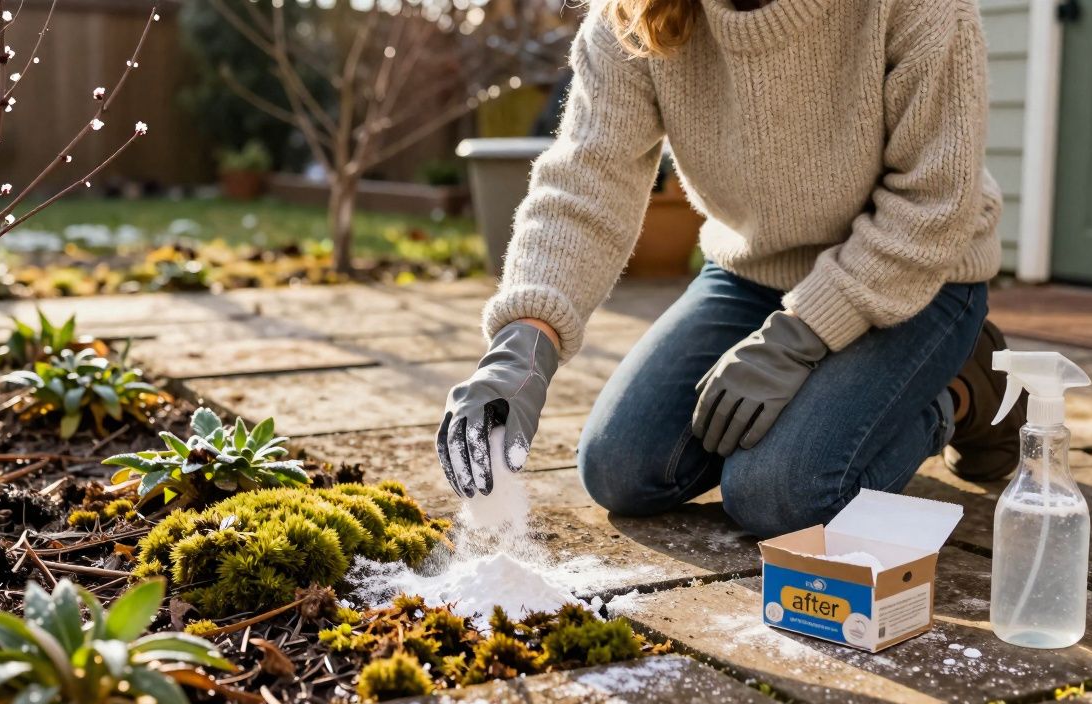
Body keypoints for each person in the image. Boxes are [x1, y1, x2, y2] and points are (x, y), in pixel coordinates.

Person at [438, 0, 1024, 539]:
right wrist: (523, 347)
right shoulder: (635, 12)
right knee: (620, 470)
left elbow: (933, 203)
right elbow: (588, 179)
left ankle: (959, 389)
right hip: (754, 275)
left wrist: (799, 338)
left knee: (779, 497)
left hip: (915, 276)